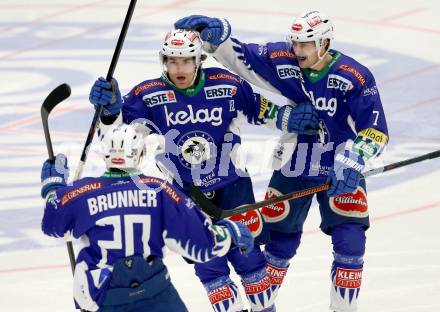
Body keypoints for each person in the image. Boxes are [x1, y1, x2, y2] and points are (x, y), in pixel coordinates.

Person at [88, 29, 319, 312]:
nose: (178, 68)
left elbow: (262, 110)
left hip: (234, 187)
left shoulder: (227, 85)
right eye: (172, 61)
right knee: (212, 271)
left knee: (251, 265)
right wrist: (111, 112)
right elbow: (121, 135)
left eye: (185, 61)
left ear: (199, 60)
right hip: (188, 195)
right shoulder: (147, 94)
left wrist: (291, 119)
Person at [175, 10, 389, 312]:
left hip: (342, 169)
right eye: (296, 43)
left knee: (351, 247)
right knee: (277, 246)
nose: (298, 50)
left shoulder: (355, 75)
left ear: (325, 42)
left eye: (306, 44)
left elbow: (375, 128)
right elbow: (245, 60)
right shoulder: (285, 58)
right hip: (294, 164)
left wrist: (355, 158)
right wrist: (219, 39)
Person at [40, 123, 254, 312]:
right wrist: (230, 233)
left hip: (104, 295)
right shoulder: (159, 189)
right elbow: (202, 244)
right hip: (155, 292)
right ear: (140, 153)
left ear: (105, 153)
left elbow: (53, 226)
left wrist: (54, 189)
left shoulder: (84, 191)